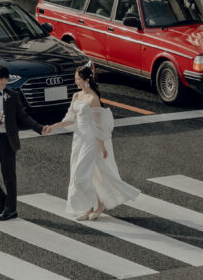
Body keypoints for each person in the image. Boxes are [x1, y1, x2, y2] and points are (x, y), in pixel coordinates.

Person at [44, 62, 140, 220]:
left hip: (90, 139)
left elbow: (98, 126)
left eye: (78, 79)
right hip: (78, 138)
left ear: (87, 79)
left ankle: (98, 204)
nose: (76, 82)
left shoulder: (93, 99)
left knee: (81, 175)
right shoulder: (76, 96)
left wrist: (102, 147)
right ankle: (89, 207)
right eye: (75, 79)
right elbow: (70, 119)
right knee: (78, 174)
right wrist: (54, 126)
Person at [0, 62, 47, 221]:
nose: (3, 82)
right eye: (0, 79)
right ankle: (1, 198)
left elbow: (23, 116)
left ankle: (11, 209)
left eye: (5, 79)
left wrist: (39, 128)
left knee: (9, 177)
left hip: (8, 141)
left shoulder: (12, 96)